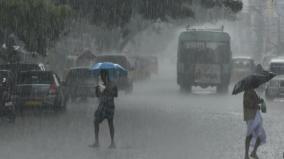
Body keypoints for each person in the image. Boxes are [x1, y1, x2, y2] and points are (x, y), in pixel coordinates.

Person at [90, 70, 118, 148]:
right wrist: (97, 89)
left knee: (110, 123)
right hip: (102, 106)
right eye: (101, 76)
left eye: (102, 75)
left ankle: (112, 142)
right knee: (96, 121)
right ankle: (97, 142)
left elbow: (116, 94)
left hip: (109, 106)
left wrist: (108, 90)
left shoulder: (112, 84)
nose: (101, 77)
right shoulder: (101, 85)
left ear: (106, 76)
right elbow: (98, 95)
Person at [243, 89, 266, 159]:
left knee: (261, 135)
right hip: (251, 117)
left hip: (256, 116)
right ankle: (246, 155)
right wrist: (256, 105)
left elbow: (255, 101)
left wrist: (260, 101)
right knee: (249, 135)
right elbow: (247, 103)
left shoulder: (253, 91)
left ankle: (253, 152)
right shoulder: (247, 92)